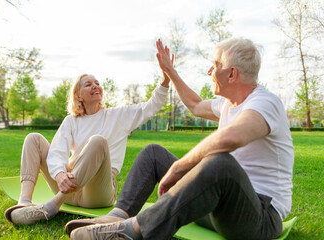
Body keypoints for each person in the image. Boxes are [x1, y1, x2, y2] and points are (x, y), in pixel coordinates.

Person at [66, 38, 294, 240]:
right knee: (153, 154)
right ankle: (116, 217)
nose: (209, 71)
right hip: (217, 210)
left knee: (219, 163)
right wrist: (170, 72)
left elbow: (231, 137)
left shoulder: (265, 103)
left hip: (259, 217)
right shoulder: (227, 104)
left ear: (232, 74)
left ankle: (129, 232)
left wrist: (180, 167)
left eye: (215, 66)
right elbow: (195, 105)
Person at [4, 72, 170, 225]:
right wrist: (60, 174)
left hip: (96, 194)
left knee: (98, 141)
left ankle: (52, 206)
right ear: (78, 95)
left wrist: (165, 79)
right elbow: (57, 150)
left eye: (97, 83)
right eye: (88, 84)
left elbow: (151, 107)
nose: (95, 86)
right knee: (34, 139)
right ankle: (24, 202)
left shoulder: (118, 116)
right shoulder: (71, 121)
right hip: (69, 185)